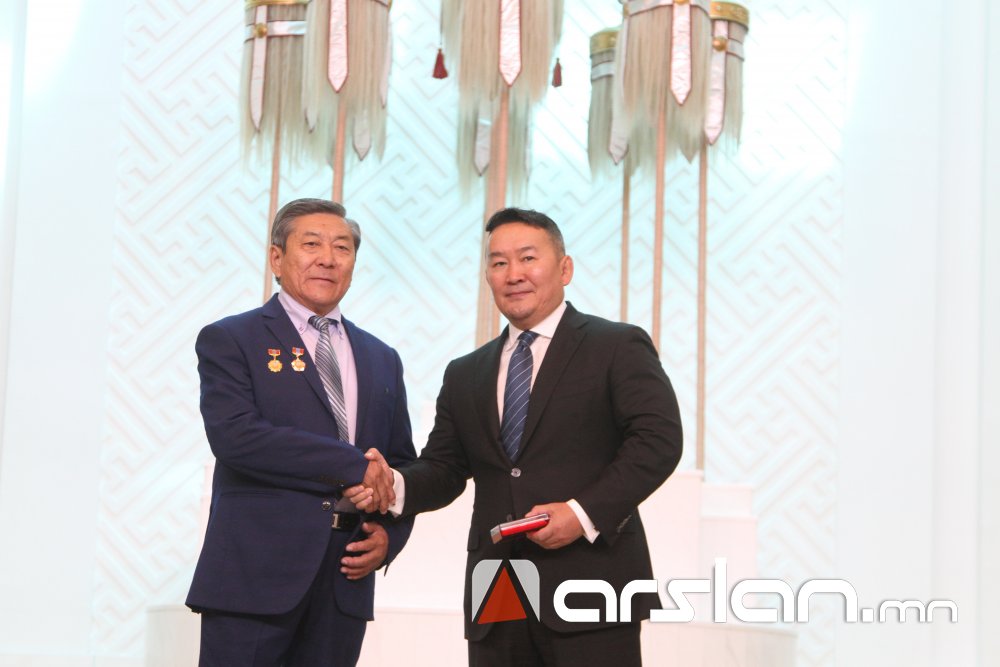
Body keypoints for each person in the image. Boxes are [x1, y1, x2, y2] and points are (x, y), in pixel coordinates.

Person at [350, 207, 683, 666]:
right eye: (499, 262)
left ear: (564, 268)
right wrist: (394, 484)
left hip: (591, 584)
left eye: (528, 258)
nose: (513, 274)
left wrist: (581, 514)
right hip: (498, 591)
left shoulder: (616, 345)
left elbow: (658, 440)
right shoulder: (466, 372)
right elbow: (445, 468)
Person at [186, 198, 413, 666]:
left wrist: (390, 535)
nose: (328, 258)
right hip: (254, 577)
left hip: (345, 581)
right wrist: (352, 465)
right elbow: (236, 437)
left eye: (342, 248)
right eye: (311, 244)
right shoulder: (232, 339)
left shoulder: (382, 357)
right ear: (277, 258)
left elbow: (400, 464)